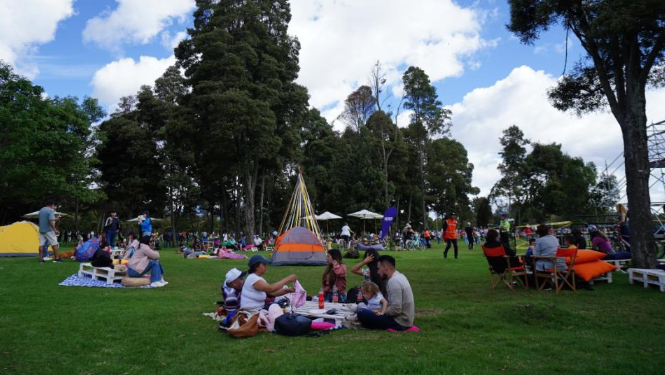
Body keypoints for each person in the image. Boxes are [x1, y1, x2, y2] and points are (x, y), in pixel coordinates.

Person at [357, 255, 415, 331]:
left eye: (378, 269)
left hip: (399, 323)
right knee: (368, 310)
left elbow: (396, 310)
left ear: (385, 268)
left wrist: (381, 311)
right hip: (405, 320)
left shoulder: (393, 281)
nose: (377, 272)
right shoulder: (401, 276)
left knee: (362, 312)